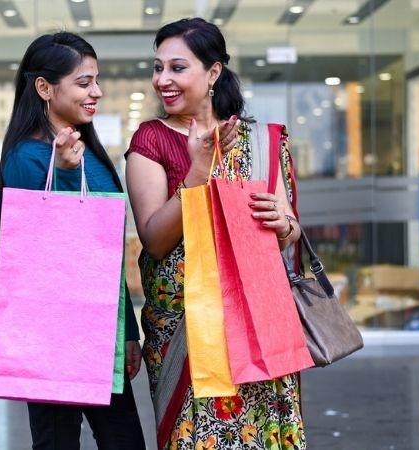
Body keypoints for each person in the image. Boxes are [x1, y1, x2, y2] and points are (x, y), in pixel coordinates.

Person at [126, 18, 306, 449]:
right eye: (157, 68)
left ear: (213, 73)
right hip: (188, 334)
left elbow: (289, 232)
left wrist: (285, 226)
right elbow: (154, 240)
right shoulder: (151, 140)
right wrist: (197, 171)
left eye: (176, 68)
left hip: (257, 326)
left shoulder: (261, 141)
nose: (162, 80)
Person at [0, 32, 146, 450]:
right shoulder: (25, 158)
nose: (96, 92)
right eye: (83, 82)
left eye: (96, 80)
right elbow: (40, 248)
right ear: (44, 88)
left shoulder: (91, 154)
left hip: (101, 334)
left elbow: (107, 257)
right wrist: (59, 173)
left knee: (125, 441)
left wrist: (127, 331)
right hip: (53, 335)